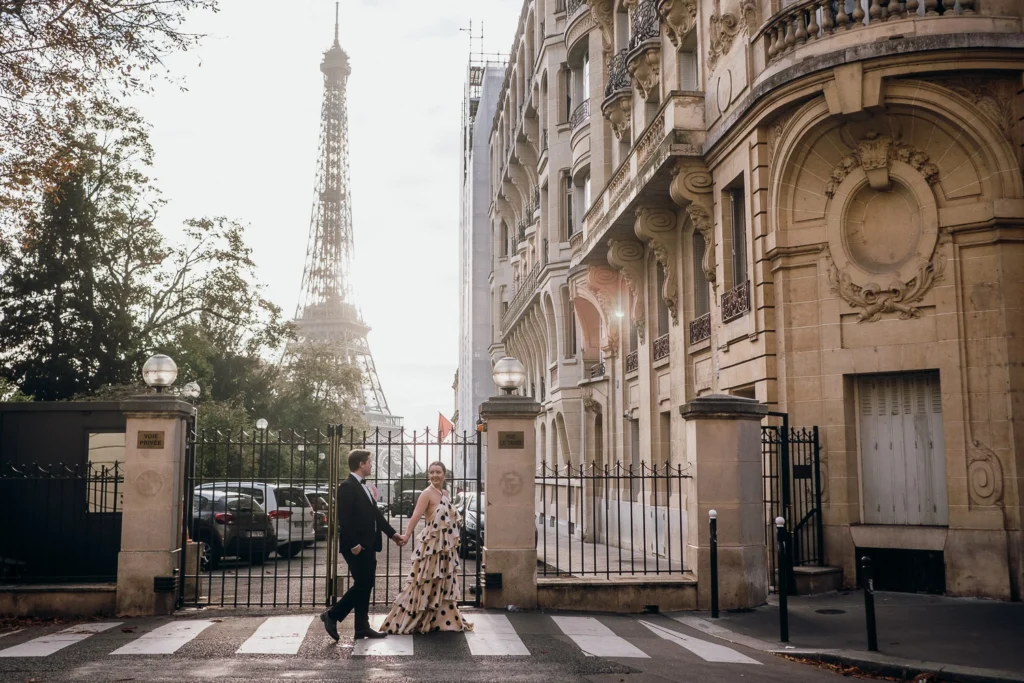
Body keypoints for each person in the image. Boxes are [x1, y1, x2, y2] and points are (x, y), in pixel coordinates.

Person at [379, 461, 474, 634]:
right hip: (431, 545)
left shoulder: (444, 492)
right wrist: (406, 536)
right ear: (428, 475)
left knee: (443, 581)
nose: (435, 475)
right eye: (432, 472)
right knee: (424, 580)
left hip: (445, 546)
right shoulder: (426, 493)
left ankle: (440, 618)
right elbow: (416, 515)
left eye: (438, 472)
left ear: (444, 474)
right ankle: (414, 616)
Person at [321, 449, 406, 641]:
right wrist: (353, 544)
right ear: (361, 464)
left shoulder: (365, 487)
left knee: (365, 585)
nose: (371, 465)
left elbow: (377, 517)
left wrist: (393, 535)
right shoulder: (347, 487)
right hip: (356, 546)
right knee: (363, 583)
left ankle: (361, 628)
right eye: (369, 462)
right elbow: (345, 520)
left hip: (368, 544)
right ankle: (333, 615)